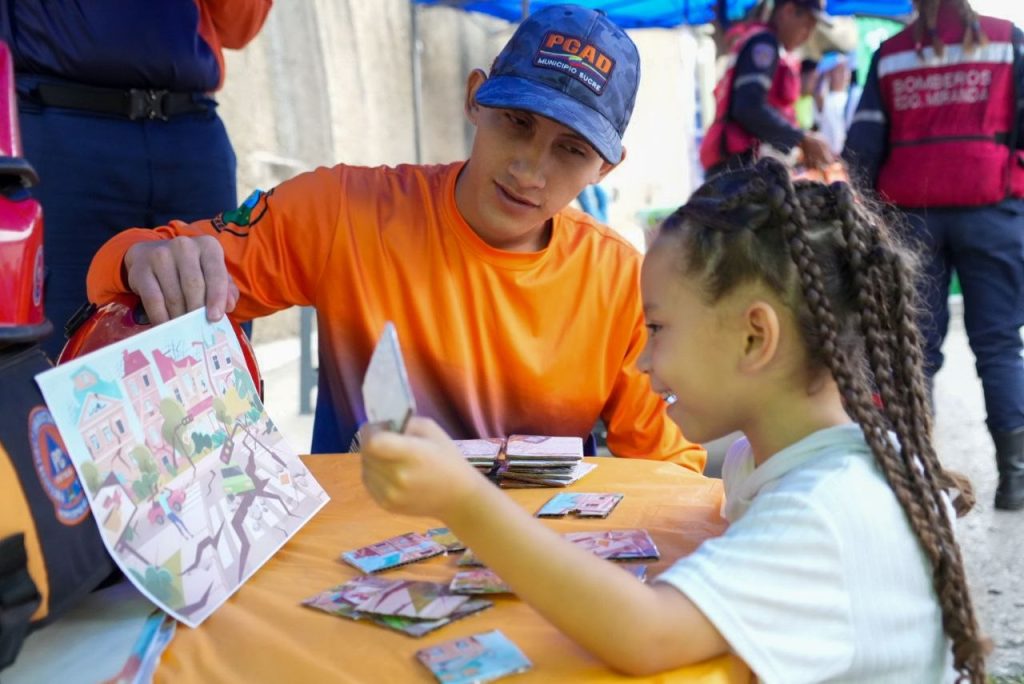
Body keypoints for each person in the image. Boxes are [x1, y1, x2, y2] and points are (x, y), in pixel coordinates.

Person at [360, 158, 987, 682]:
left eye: (657, 328)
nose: (640, 360)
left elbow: (647, 635)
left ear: (754, 338)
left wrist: (464, 500)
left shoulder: (826, 510)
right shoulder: (773, 456)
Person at [84, 5, 705, 469]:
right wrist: (143, 259)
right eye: (517, 122)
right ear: (475, 99)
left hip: (539, 571)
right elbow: (128, 280)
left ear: (606, 169)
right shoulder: (344, 211)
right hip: (352, 564)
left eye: (571, 150)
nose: (530, 170)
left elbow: (667, 469)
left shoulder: (623, 283)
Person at [2, 0, 271, 358]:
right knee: (52, 355)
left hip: (190, 129)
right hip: (55, 118)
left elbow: (240, 27)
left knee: (215, 351)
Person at [844, 0, 1024, 511]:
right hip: (992, 208)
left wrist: (869, 215)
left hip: (912, 217)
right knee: (999, 345)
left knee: (913, 347)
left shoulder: (892, 53)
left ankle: (911, 472)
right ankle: (1015, 481)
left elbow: (862, 147)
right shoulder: (1006, 40)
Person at [700, 0, 835, 179]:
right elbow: (748, 107)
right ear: (788, 11)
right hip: (737, 166)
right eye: (808, 25)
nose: (808, 35)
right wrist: (800, 138)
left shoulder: (763, 42)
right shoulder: (764, 43)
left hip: (735, 163)